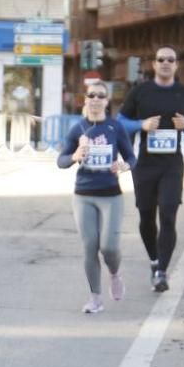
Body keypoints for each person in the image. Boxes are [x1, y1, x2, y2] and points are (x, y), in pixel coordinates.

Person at [118, 45, 184, 293]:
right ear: (154, 64)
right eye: (161, 59)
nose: (165, 63)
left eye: (170, 60)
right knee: (146, 216)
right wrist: (141, 124)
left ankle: (162, 271)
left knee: (168, 213)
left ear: (176, 65)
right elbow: (121, 122)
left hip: (172, 164)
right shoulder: (140, 92)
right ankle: (154, 261)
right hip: (144, 163)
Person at [58, 81, 137, 314]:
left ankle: (114, 273)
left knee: (109, 247)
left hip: (111, 195)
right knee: (90, 246)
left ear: (106, 101)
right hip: (84, 195)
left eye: (100, 95)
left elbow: (132, 158)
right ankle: (95, 299)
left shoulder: (115, 127)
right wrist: (74, 155)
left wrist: (123, 165)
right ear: (85, 99)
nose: (95, 99)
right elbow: (61, 161)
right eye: (91, 95)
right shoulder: (77, 129)